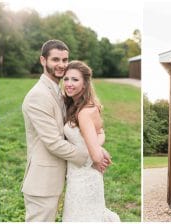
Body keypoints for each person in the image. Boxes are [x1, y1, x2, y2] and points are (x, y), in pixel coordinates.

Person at [21, 40, 109, 221]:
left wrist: (97, 147)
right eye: (55, 59)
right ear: (43, 60)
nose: (61, 65)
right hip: (42, 182)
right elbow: (54, 142)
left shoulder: (62, 94)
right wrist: (90, 157)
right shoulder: (38, 96)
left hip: (63, 177)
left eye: (65, 60)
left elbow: (89, 132)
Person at [61, 60, 120, 221]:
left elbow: (96, 157)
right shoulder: (83, 105)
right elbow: (100, 133)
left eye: (75, 79)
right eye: (66, 79)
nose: (69, 83)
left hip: (84, 176)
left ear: (85, 84)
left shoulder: (84, 112)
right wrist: (98, 146)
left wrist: (97, 152)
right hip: (81, 173)